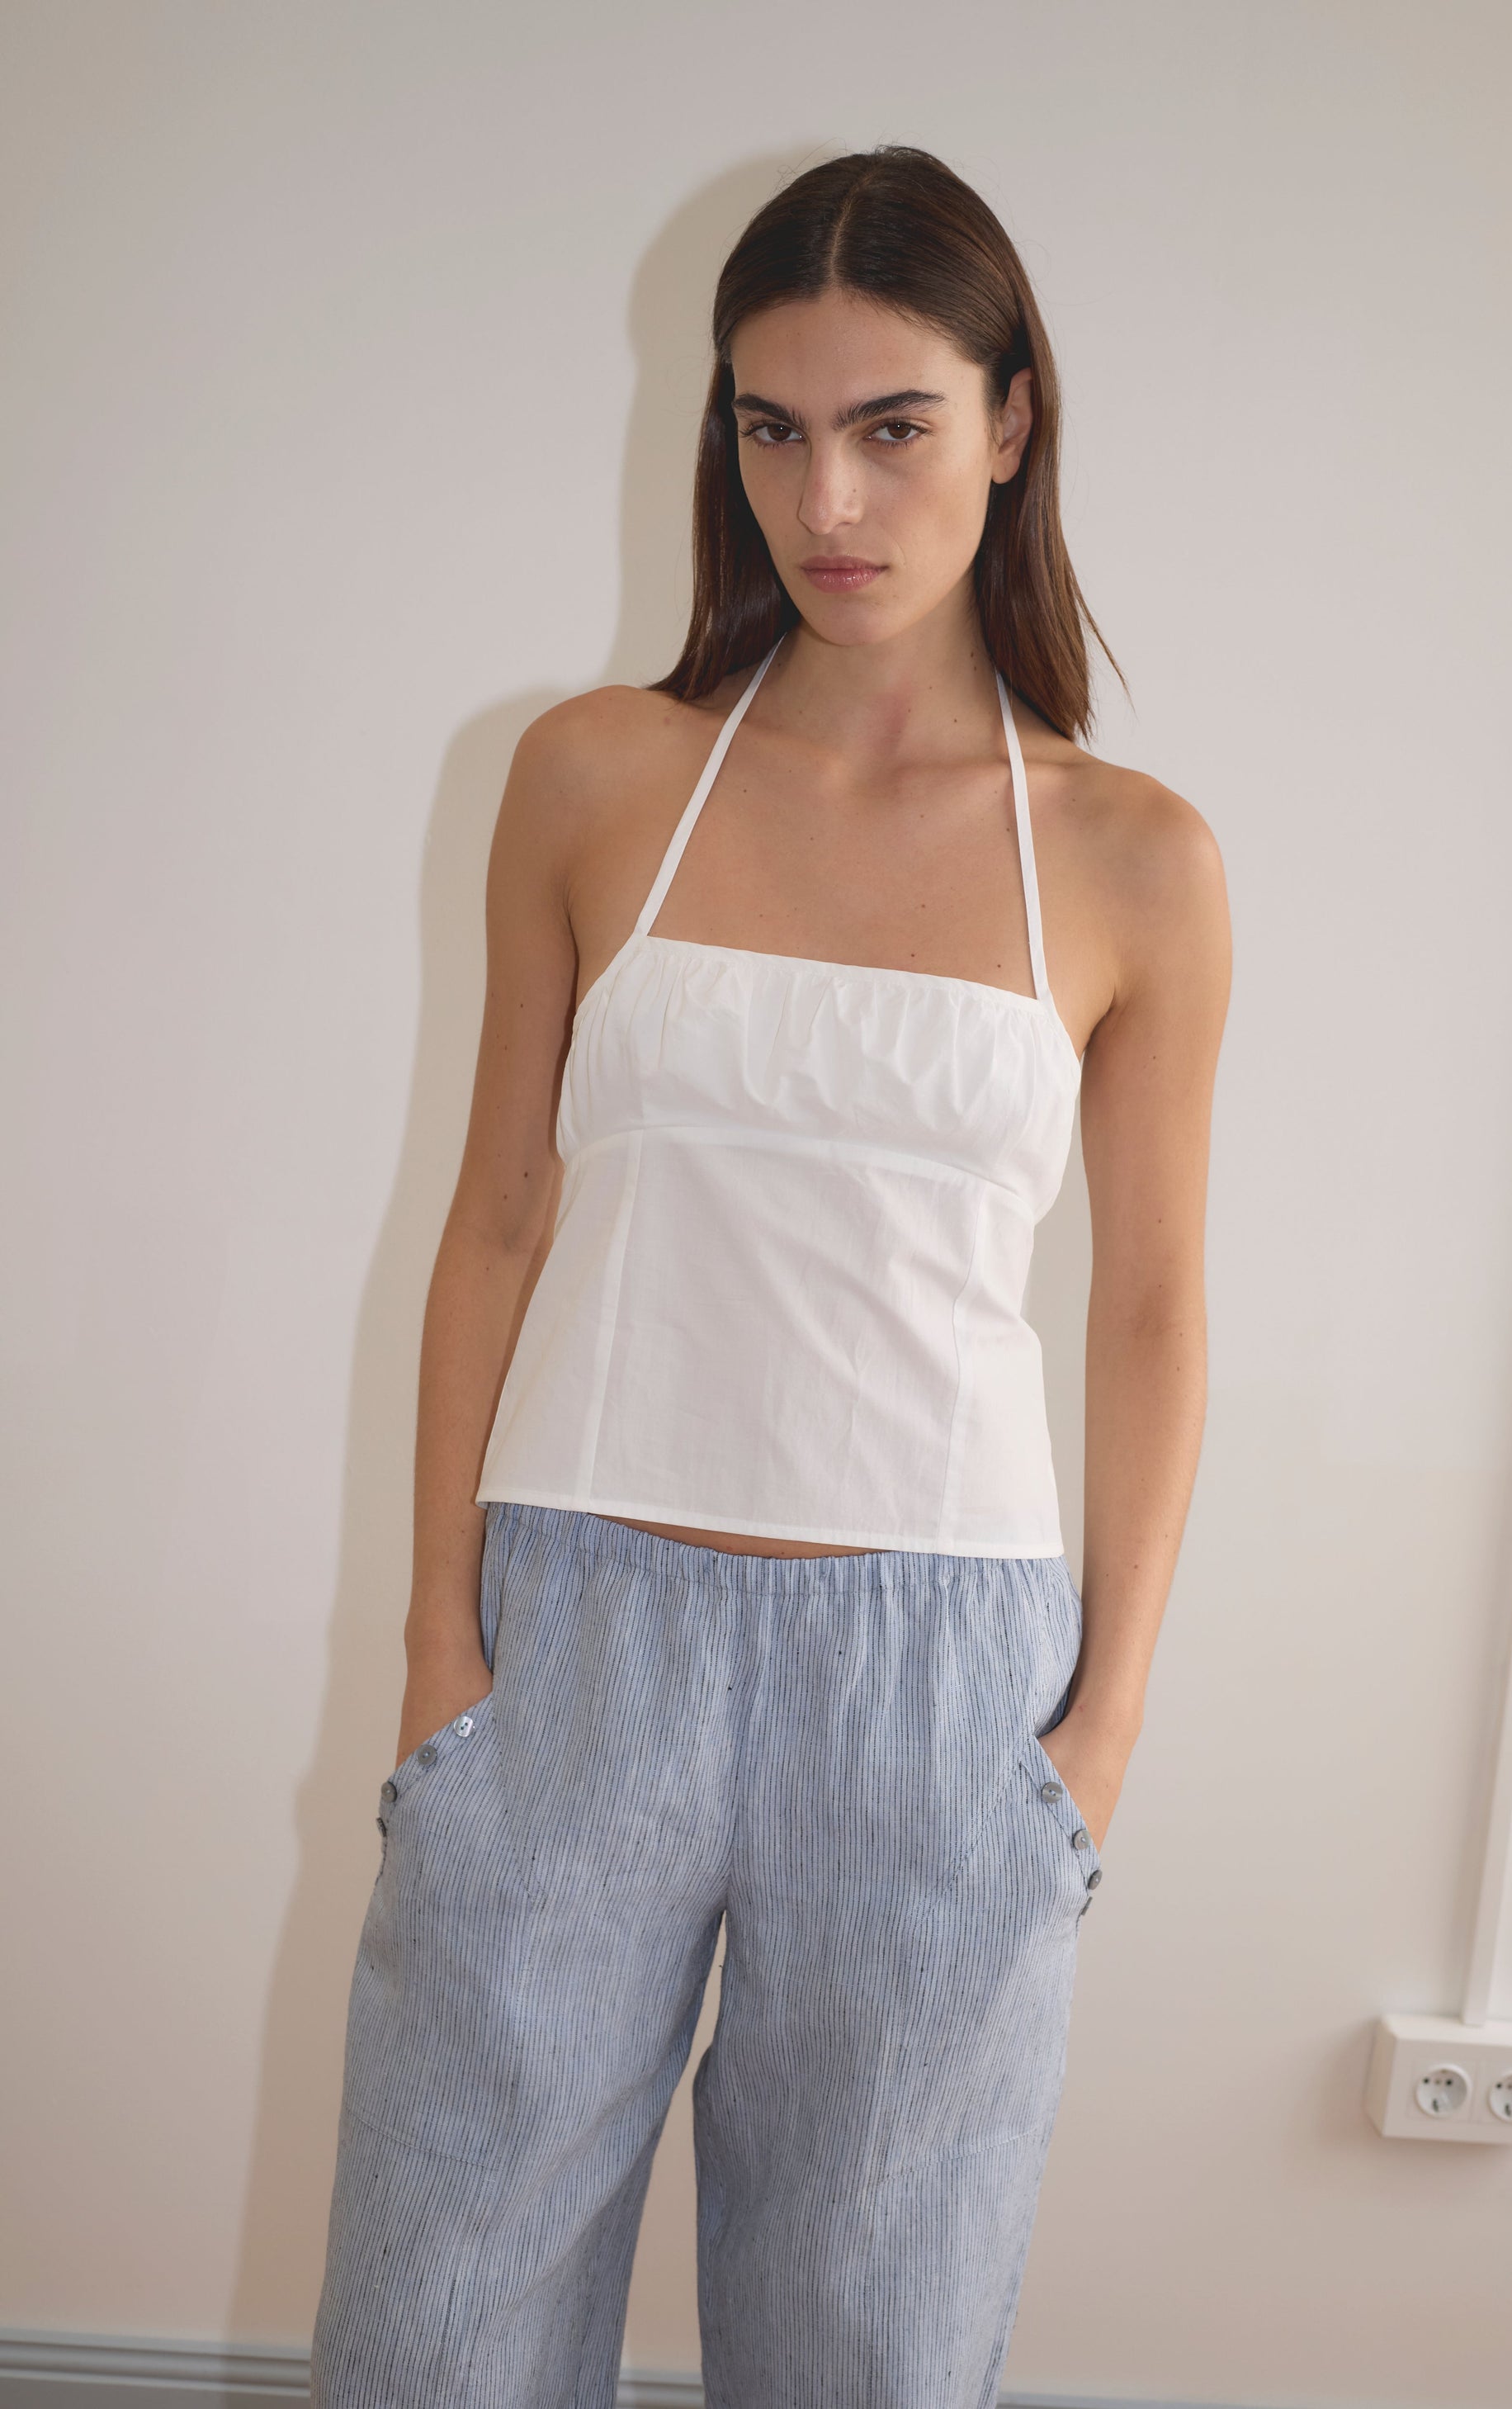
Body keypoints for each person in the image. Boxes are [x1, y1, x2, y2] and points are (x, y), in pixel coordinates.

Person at [310, 144, 1231, 2409]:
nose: (827, 491)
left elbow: (1148, 1302)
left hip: (941, 1686)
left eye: (891, 422)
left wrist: (1096, 1728)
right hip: (572, 1632)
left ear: (1008, 423)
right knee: (441, 2317)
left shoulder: (1130, 858)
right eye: (769, 424)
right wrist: (444, 1641)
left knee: (868, 2346)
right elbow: (498, 1218)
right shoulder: (592, 776)